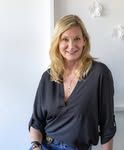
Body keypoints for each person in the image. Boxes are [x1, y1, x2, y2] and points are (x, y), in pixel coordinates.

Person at [28, 14, 116, 150]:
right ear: (58, 42)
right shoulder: (48, 77)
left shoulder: (100, 73)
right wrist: (35, 146)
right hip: (44, 146)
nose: (71, 46)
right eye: (65, 39)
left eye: (77, 39)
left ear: (84, 41)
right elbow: (36, 122)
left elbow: (107, 124)